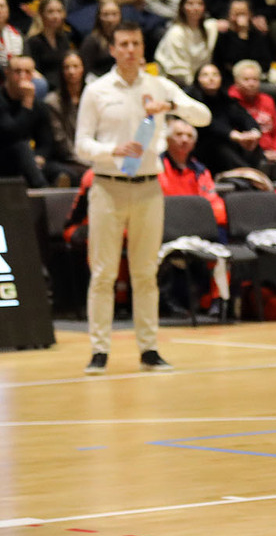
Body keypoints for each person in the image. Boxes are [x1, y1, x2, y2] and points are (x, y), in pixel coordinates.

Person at [75, 21, 211, 374]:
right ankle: (99, 350)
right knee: (103, 273)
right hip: (107, 187)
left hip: (149, 187)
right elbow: (81, 145)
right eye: (123, 44)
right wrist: (111, 150)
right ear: (112, 49)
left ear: (143, 48)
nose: (130, 50)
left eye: (135, 43)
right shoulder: (97, 90)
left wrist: (172, 106)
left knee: (145, 272)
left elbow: (203, 116)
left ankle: (149, 350)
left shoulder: (159, 86)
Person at [0, 55, 57, 188]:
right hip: (4, 156)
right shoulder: (3, 100)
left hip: (29, 160)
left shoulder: (39, 105)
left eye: (27, 72)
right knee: (21, 146)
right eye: (17, 71)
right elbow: (11, 134)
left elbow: (46, 141)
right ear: (7, 73)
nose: (22, 76)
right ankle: (43, 191)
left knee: (62, 171)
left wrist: (40, 156)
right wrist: (27, 104)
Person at [158, 118, 227, 226]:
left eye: (189, 136)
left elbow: (213, 202)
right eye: (179, 134)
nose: (185, 139)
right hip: (168, 224)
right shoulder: (156, 168)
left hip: (198, 224)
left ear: (194, 144)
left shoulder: (201, 171)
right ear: (167, 139)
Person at [44, 50, 88, 184]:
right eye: (67, 67)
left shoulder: (92, 97)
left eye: (75, 66)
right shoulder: (53, 102)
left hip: (90, 155)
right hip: (65, 159)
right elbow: (61, 141)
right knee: (69, 174)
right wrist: (84, 161)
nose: (71, 71)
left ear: (83, 69)